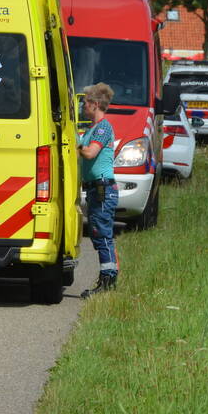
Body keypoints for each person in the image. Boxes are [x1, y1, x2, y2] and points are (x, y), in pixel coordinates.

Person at [78, 82, 118, 298]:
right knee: (99, 234)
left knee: (102, 234)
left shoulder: (103, 128)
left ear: (94, 104)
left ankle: (107, 280)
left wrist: (76, 143)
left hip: (103, 188)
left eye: (85, 102)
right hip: (95, 188)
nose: (83, 106)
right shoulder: (93, 128)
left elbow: (90, 153)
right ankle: (108, 276)